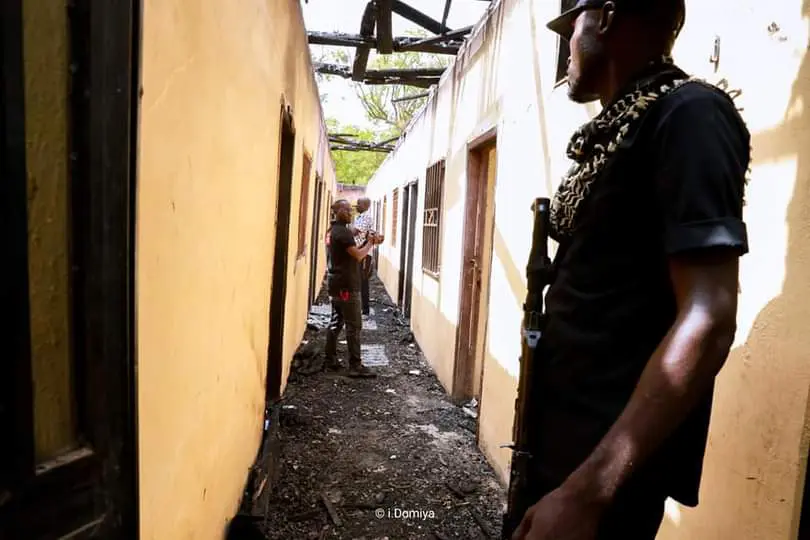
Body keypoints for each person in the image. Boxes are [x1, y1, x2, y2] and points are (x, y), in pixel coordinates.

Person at [512, 1, 750, 539]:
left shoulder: (690, 114)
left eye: (569, 28)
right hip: (559, 454)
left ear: (609, 16)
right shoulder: (619, 129)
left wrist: (589, 490)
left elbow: (709, 317)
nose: (567, 48)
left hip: (601, 482)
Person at [324, 199, 382, 378]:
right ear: (338, 211)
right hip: (347, 285)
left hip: (336, 283)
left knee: (336, 321)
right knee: (354, 325)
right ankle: (355, 366)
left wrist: (366, 240)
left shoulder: (334, 230)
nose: (351, 213)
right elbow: (357, 255)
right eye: (348, 210)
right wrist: (371, 244)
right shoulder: (343, 232)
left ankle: (330, 359)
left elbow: (349, 250)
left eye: (352, 210)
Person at [351, 197, 375, 316]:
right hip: (360, 251)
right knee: (359, 279)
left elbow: (355, 231)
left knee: (363, 280)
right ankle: (361, 307)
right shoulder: (360, 217)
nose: (356, 206)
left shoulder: (366, 217)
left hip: (364, 253)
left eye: (359, 204)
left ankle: (364, 310)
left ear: (365, 205)